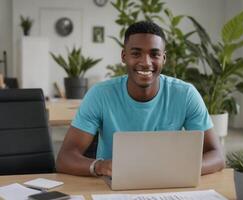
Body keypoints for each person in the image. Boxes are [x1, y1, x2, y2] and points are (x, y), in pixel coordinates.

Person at [56, 21, 225, 177]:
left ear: (163, 58)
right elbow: (65, 158)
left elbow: (217, 155)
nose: (146, 62)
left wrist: (181, 169)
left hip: (167, 183)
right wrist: (100, 166)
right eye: (136, 53)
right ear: (124, 56)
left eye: (154, 54)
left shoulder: (185, 94)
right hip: (112, 184)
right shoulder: (100, 95)